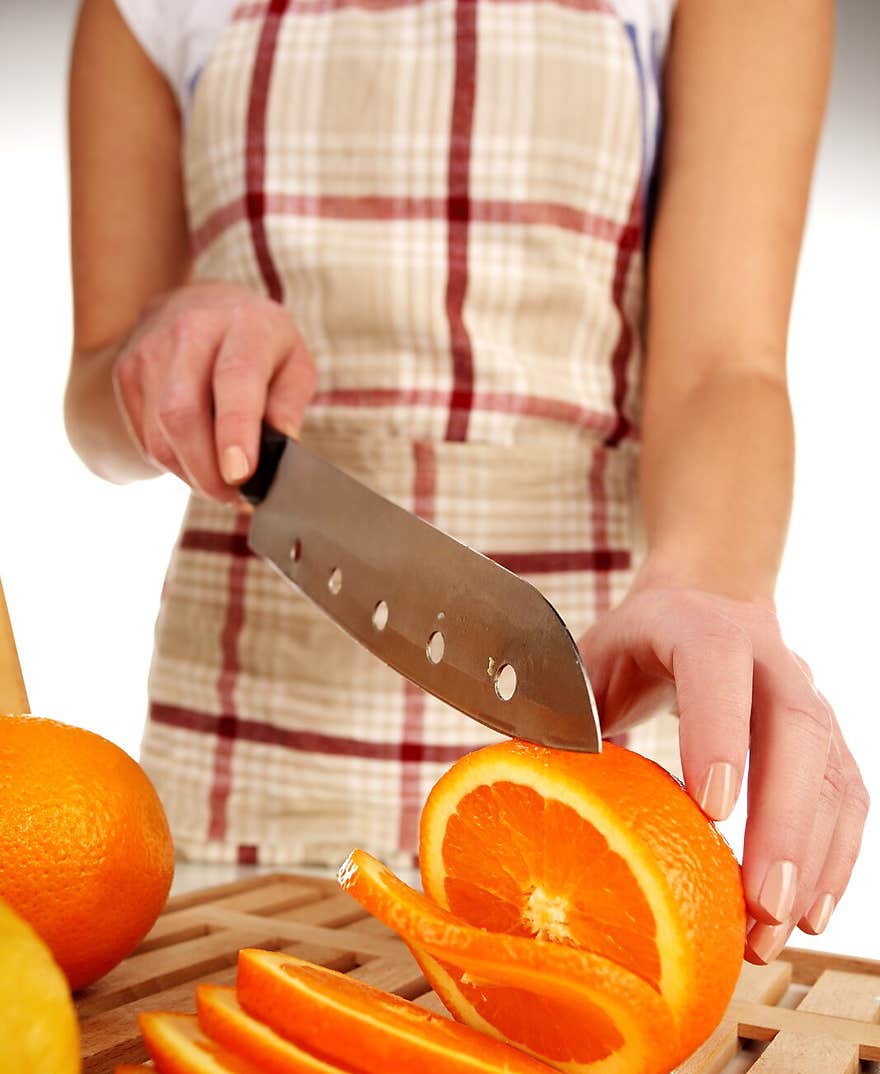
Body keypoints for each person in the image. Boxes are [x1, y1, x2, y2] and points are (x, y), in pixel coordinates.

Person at [64, 0, 868, 966]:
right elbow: (95, 406)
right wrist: (152, 355)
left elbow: (722, 370)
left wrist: (707, 579)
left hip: (573, 798)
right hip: (230, 788)